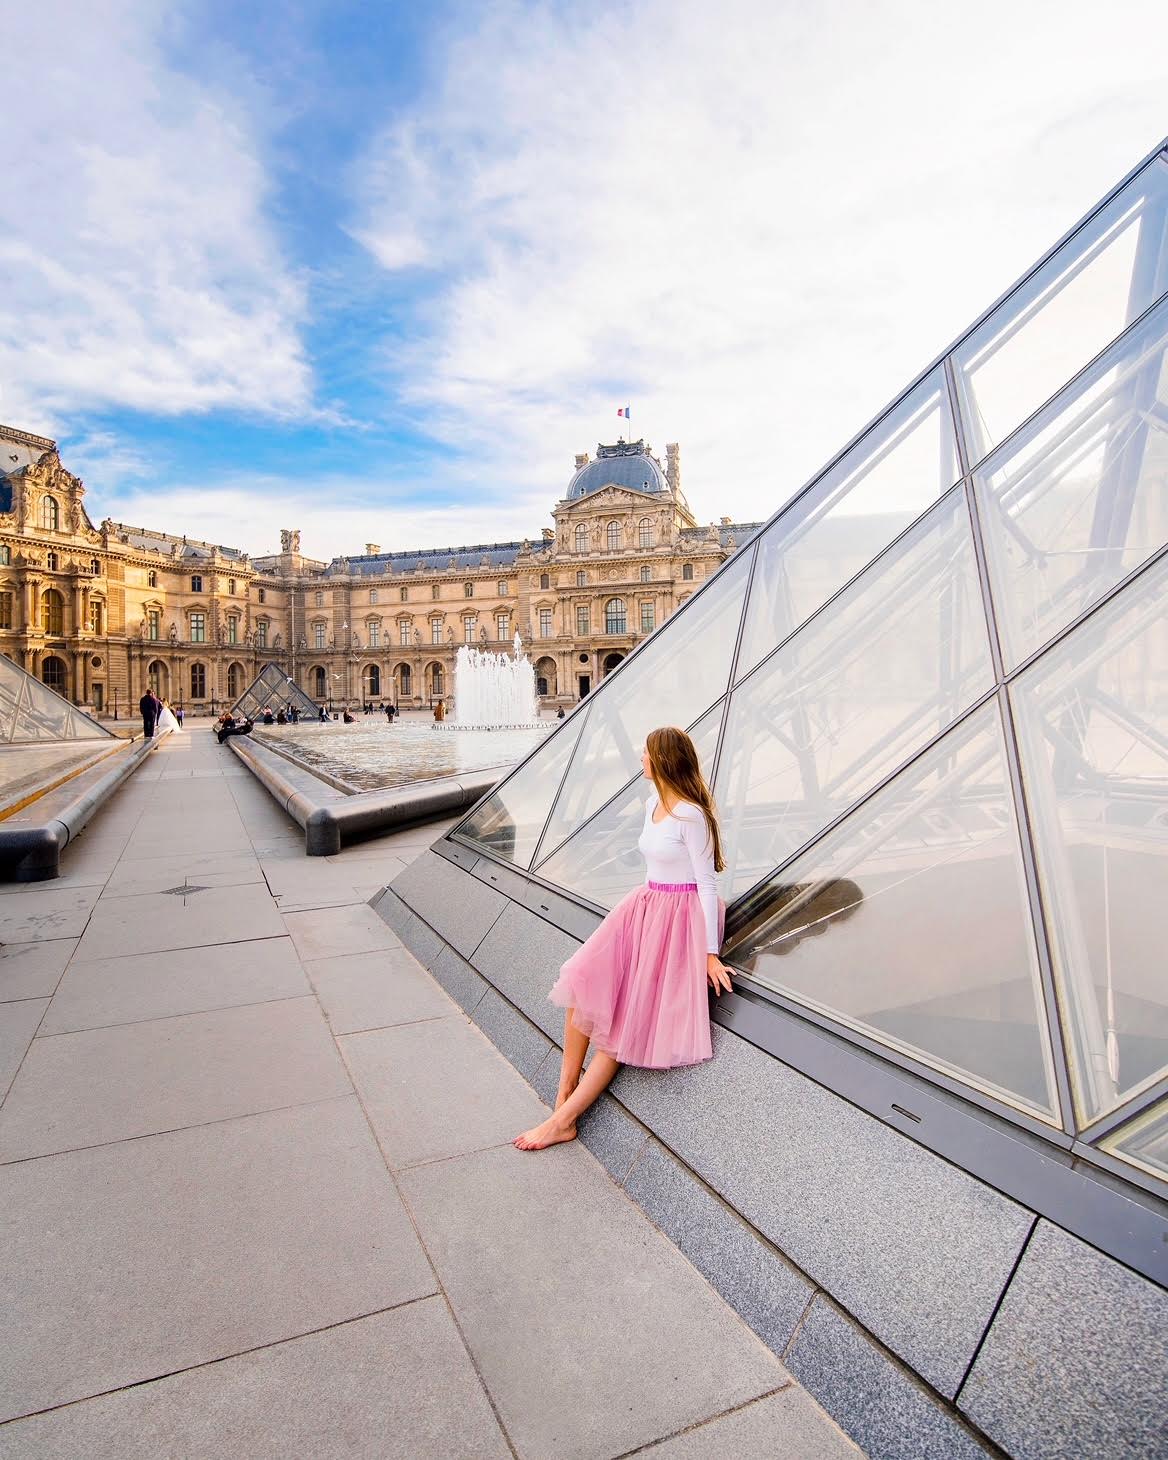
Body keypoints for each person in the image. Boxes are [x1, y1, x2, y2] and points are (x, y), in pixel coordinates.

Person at [513, 725, 733, 1152]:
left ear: (663, 760)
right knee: (581, 978)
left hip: (678, 920)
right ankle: (564, 1092)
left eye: (646, 755)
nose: (641, 761)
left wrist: (709, 953)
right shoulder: (654, 803)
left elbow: (706, 886)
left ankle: (564, 1119)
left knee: (623, 1021)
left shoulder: (691, 815)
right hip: (646, 907)